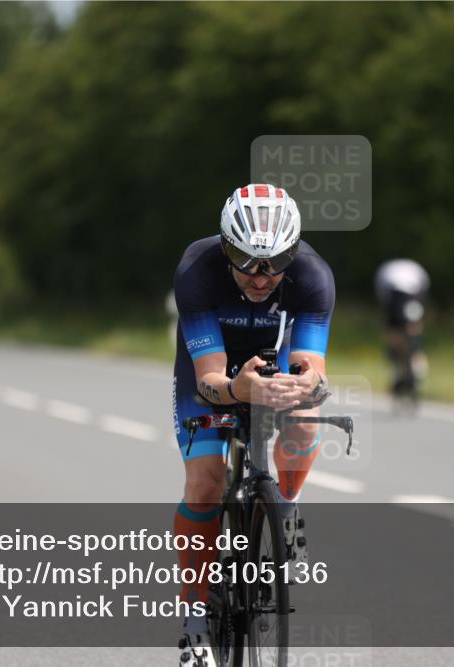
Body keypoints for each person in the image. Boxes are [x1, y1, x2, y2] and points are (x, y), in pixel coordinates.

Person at [172, 184, 334, 667]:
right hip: (212, 370)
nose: (261, 277)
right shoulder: (197, 271)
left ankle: (287, 505)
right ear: (226, 248)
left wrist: (308, 386)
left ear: (293, 252)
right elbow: (209, 382)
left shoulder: (313, 275)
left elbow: (312, 366)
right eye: (246, 261)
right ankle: (195, 618)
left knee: (305, 420)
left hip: (273, 361)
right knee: (206, 482)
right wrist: (236, 389)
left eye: (275, 262)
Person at [374, 258, 430, 401]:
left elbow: (383, 298)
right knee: (414, 330)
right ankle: (417, 363)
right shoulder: (416, 269)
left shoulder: (386, 270)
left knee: (393, 334)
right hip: (415, 295)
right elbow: (424, 291)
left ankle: (397, 366)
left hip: (396, 295)